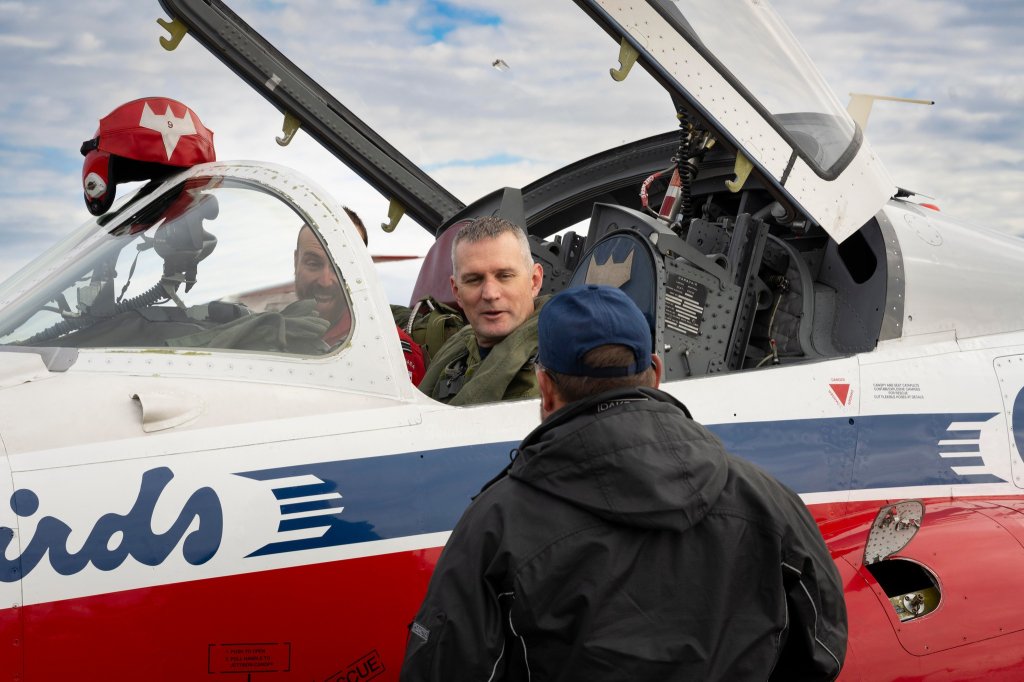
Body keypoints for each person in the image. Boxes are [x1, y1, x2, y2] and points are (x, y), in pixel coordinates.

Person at [401, 285, 848, 681]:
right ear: (655, 373)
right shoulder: (770, 499)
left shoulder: (495, 524)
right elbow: (823, 649)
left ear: (546, 388)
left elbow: (443, 665)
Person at [418, 216, 544, 405]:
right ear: (456, 291)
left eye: (505, 276)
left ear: (534, 281)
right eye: (474, 280)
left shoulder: (570, 367)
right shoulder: (455, 355)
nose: (490, 294)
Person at [295, 213, 425, 384]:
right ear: (295, 261)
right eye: (313, 263)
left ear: (360, 270)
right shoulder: (269, 331)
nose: (325, 281)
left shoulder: (392, 354)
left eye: (339, 266)